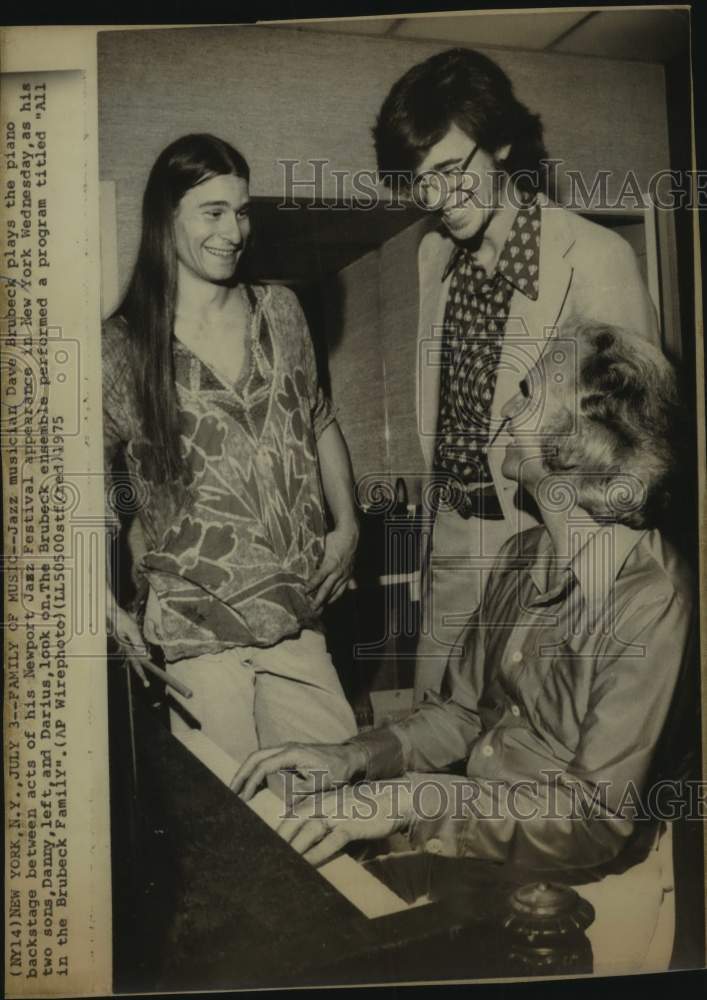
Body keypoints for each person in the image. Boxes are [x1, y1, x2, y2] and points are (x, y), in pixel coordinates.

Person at [232, 322, 692, 872]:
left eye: (527, 394)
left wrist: (413, 801)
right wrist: (350, 757)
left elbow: (593, 822)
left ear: (581, 440)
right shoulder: (521, 555)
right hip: (485, 849)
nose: (506, 410)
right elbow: (461, 715)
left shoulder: (654, 603)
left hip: (582, 882)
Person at [371, 48, 662, 701]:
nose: (436, 199)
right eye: (419, 181)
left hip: (547, 552)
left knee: (521, 742)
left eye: (449, 171)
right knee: (432, 726)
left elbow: (637, 455)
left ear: (500, 143)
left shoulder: (595, 258)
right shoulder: (432, 256)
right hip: (451, 545)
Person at [103, 133, 358, 763]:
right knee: (232, 817)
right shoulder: (123, 346)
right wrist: (103, 607)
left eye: (241, 212)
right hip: (195, 635)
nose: (233, 232)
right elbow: (71, 485)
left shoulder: (282, 310)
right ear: (166, 218)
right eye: (212, 212)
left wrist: (348, 526)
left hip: (297, 618)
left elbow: (318, 418)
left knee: (332, 797)